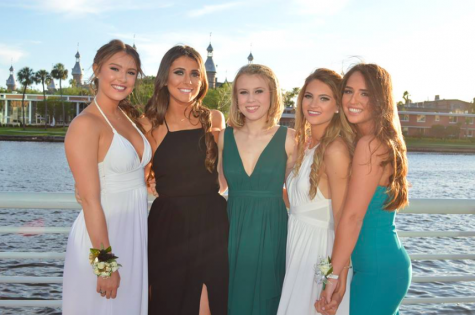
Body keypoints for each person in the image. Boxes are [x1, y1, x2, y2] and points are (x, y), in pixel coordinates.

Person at [63, 39, 150, 314]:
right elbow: (90, 201)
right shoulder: (85, 124)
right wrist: (104, 266)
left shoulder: (129, 118)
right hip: (102, 243)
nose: (122, 78)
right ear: (97, 69)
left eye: (131, 72)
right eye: (114, 68)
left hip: (134, 235)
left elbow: (138, 173)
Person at [317, 64, 411, 315]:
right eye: (348, 91)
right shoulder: (374, 141)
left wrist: (332, 278)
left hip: (378, 270)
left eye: (365, 93)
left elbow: (353, 217)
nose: (353, 100)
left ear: (379, 100)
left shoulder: (370, 144)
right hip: (376, 265)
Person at [142, 45, 228, 315]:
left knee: (208, 305)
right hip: (168, 227)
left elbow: (223, 179)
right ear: (165, 77)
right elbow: (134, 174)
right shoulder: (150, 124)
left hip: (211, 225)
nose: (187, 81)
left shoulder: (214, 119)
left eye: (195, 74)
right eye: (179, 72)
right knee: (167, 302)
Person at [218, 64, 296, 315]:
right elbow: (217, 186)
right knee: (231, 298)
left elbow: (298, 194)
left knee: (268, 301)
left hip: (272, 231)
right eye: (243, 92)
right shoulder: (223, 137)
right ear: (236, 98)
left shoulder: (290, 138)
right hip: (232, 229)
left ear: (272, 95)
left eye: (259, 91)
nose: (251, 99)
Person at [277, 69, 354, 315]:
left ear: (338, 106)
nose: (313, 104)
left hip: (319, 251)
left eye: (324, 98)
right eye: (309, 96)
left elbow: (343, 218)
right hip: (297, 242)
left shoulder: (336, 150)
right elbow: (299, 203)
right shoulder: (306, 144)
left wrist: (337, 274)